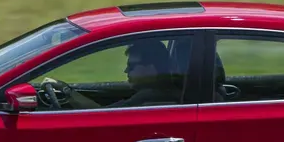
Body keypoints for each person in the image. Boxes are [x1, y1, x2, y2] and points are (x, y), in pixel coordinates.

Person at [40, 38, 186, 109]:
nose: (126, 70)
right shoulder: (165, 91)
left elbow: (100, 116)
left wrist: (68, 92)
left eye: (132, 66)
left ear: (152, 67)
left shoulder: (151, 97)